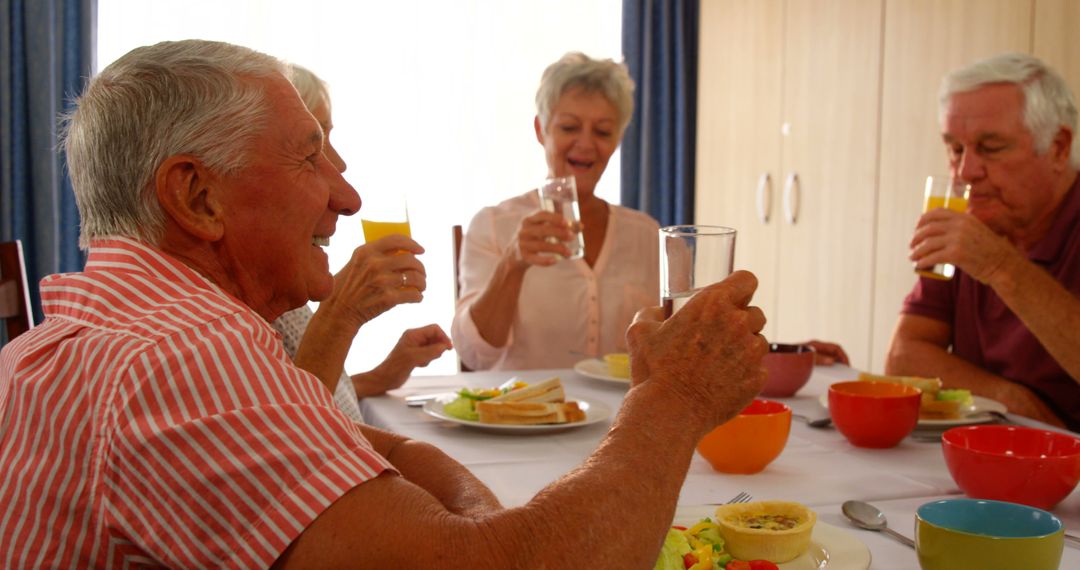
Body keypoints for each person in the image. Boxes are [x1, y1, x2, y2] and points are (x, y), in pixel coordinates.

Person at [0, 40, 767, 568]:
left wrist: (470, 504)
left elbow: (367, 445)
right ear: (197, 195)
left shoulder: (129, 328)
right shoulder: (185, 360)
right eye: (311, 155)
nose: (347, 193)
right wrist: (673, 398)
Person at [887, 53, 1080, 431]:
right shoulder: (971, 223)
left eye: (990, 148)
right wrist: (1009, 400)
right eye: (955, 149)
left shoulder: (978, 240)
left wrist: (999, 266)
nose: (966, 172)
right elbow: (903, 357)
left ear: (1058, 147)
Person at [451, 52, 659, 371]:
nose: (586, 144)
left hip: (621, 420)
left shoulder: (645, 233)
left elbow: (663, 344)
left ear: (618, 139)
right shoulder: (493, 225)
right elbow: (475, 356)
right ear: (541, 130)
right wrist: (513, 263)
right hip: (520, 416)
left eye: (603, 132)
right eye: (569, 127)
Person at [272, 64, 452, 422]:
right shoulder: (231, 306)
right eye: (314, 146)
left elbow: (293, 388)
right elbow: (290, 434)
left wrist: (383, 374)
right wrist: (339, 313)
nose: (339, 163)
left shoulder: (282, 275)